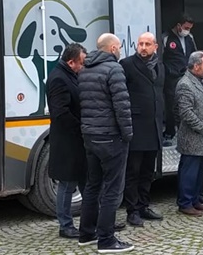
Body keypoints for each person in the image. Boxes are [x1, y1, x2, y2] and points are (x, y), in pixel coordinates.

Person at [78, 33, 134, 253]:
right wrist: (128, 135)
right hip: (111, 136)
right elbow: (122, 106)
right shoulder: (114, 69)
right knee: (112, 188)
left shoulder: (85, 69)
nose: (120, 50)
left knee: (93, 186)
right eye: (119, 46)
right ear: (112, 48)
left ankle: (86, 233)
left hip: (90, 135)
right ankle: (107, 240)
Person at [119, 32, 165, 227]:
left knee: (148, 171)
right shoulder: (127, 64)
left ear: (155, 46)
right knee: (133, 172)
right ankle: (132, 211)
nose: (143, 47)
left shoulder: (160, 66)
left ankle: (144, 205)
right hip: (136, 127)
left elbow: (160, 93)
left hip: (154, 126)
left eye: (147, 44)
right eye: (140, 44)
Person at [46, 43, 88, 239]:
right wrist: (80, 127)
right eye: (81, 63)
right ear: (71, 62)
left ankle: (93, 219)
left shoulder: (69, 75)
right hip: (67, 141)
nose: (83, 67)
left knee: (84, 180)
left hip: (76, 140)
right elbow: (60, 112)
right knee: (67, 183)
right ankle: (65, 225)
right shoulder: (58, 79)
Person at [174, 51, 203, 217]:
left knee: (199, 171)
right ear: (196, 66)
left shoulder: (201, 81)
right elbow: (185, 112)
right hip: (192, 137)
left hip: (202, 137)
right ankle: (185, 203)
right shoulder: (185, 84)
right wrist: (202, 127)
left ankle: (195, 198)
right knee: (189, 172)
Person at [162, 13, 197, 147]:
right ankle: (170, 132)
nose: (187, 30)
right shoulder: (166, 38)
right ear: (178, 25)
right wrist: (168, 71)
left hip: (187, 76)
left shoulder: (190, 37)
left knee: (187, 104)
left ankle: (185, 132)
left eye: (190, 28)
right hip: (172, 77)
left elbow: (194, 55)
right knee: (172, 105)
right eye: (186, 27)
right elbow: (161, 58)